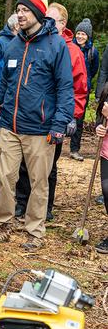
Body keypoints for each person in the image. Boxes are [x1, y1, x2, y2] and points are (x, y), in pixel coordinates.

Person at [0, 0, 74, 250]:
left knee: (39, 182)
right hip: (10, 126)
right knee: (5, 176)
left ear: (38, 14)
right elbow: (5, 81)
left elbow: (65, 87)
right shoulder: (14, 44)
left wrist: (59, 124)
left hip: (41, 129)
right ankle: (4, 222)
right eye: (18, 10)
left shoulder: (56, 45)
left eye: (25, 10)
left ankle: (35, 231)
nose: (20, 14)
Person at [15, 2, 87, 221]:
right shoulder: (34, 42)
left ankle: (45, 208)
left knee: (48, 167)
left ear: (62, 24)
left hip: (56, 119)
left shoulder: (72, 50)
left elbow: (78, 88)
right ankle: (21, 204)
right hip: (31, 118)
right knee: (24, 164)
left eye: (52, 19)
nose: (45, 22)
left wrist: (72, 116)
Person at [70, 18, 98, 160]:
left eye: (83, 34)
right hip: (68, 88)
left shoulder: (93, 51)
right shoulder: (68, 47)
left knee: (78, 120)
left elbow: (94, 69)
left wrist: (85, 81)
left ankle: (74, 149)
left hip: (83, 91)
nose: (80, 36)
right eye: (78, 33)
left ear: (88, 36)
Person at [93, 84, 108, 253]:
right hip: (106, 152)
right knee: (106, 189)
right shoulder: (107, 89)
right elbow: (99, 116)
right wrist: (99, 126)